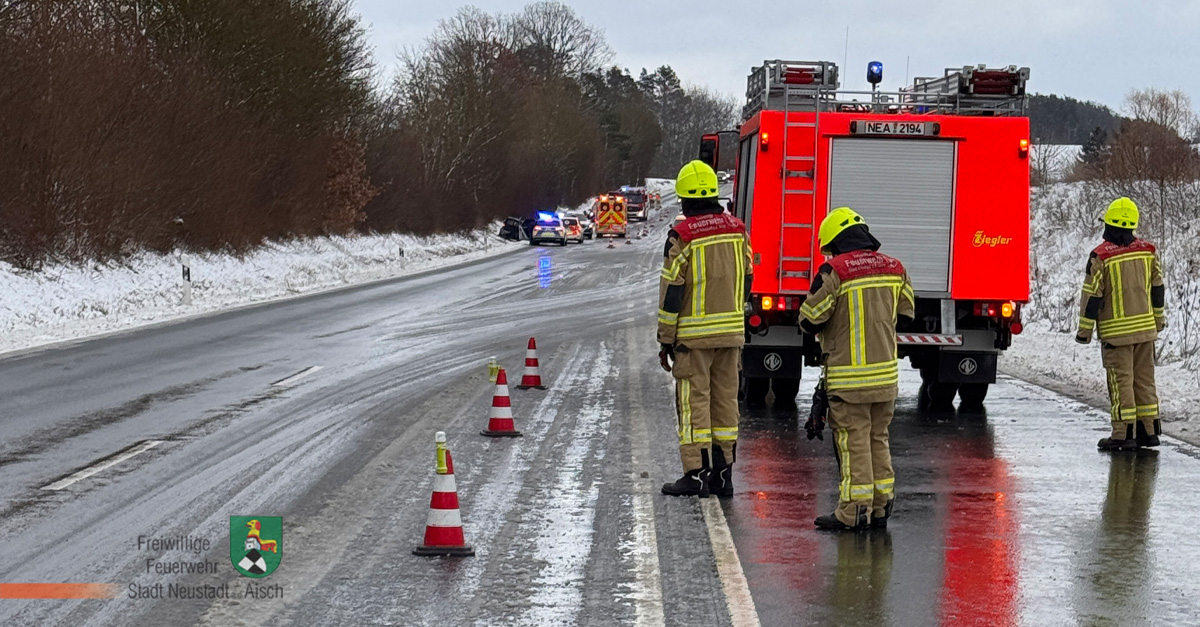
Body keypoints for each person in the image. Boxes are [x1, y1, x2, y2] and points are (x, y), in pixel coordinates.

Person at [800, 207, 914, 530]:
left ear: (836, 241)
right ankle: (880, 507)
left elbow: (810, 318)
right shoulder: (896, 268)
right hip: (886, 379)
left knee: (853, 444)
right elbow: (906, 316)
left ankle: (853, 511)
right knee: (878, 438)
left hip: (849, 380)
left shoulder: (833, 272)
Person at [658, 160, 753, 498]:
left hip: (693, 339)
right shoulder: (737, 230)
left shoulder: (683, 237)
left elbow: (672, 292)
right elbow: (748, 277)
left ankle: (696, 475)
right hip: (731, 335)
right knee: (726, 403)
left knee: (694, 404)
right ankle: (723, 476)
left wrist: (666, 340)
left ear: (684, 199)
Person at [1076, 197, 1166, 451]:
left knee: (1121, 382)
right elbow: (1157, 289)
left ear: (1109, 224)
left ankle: (1123, 434)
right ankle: (1149, 431)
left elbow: (1091, 297)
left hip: (1117, 337)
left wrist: (1085, 332)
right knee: (1145, 380)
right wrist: (1158, 320)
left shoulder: (1101, 256)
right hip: (1146, 331)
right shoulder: (1148, 251)